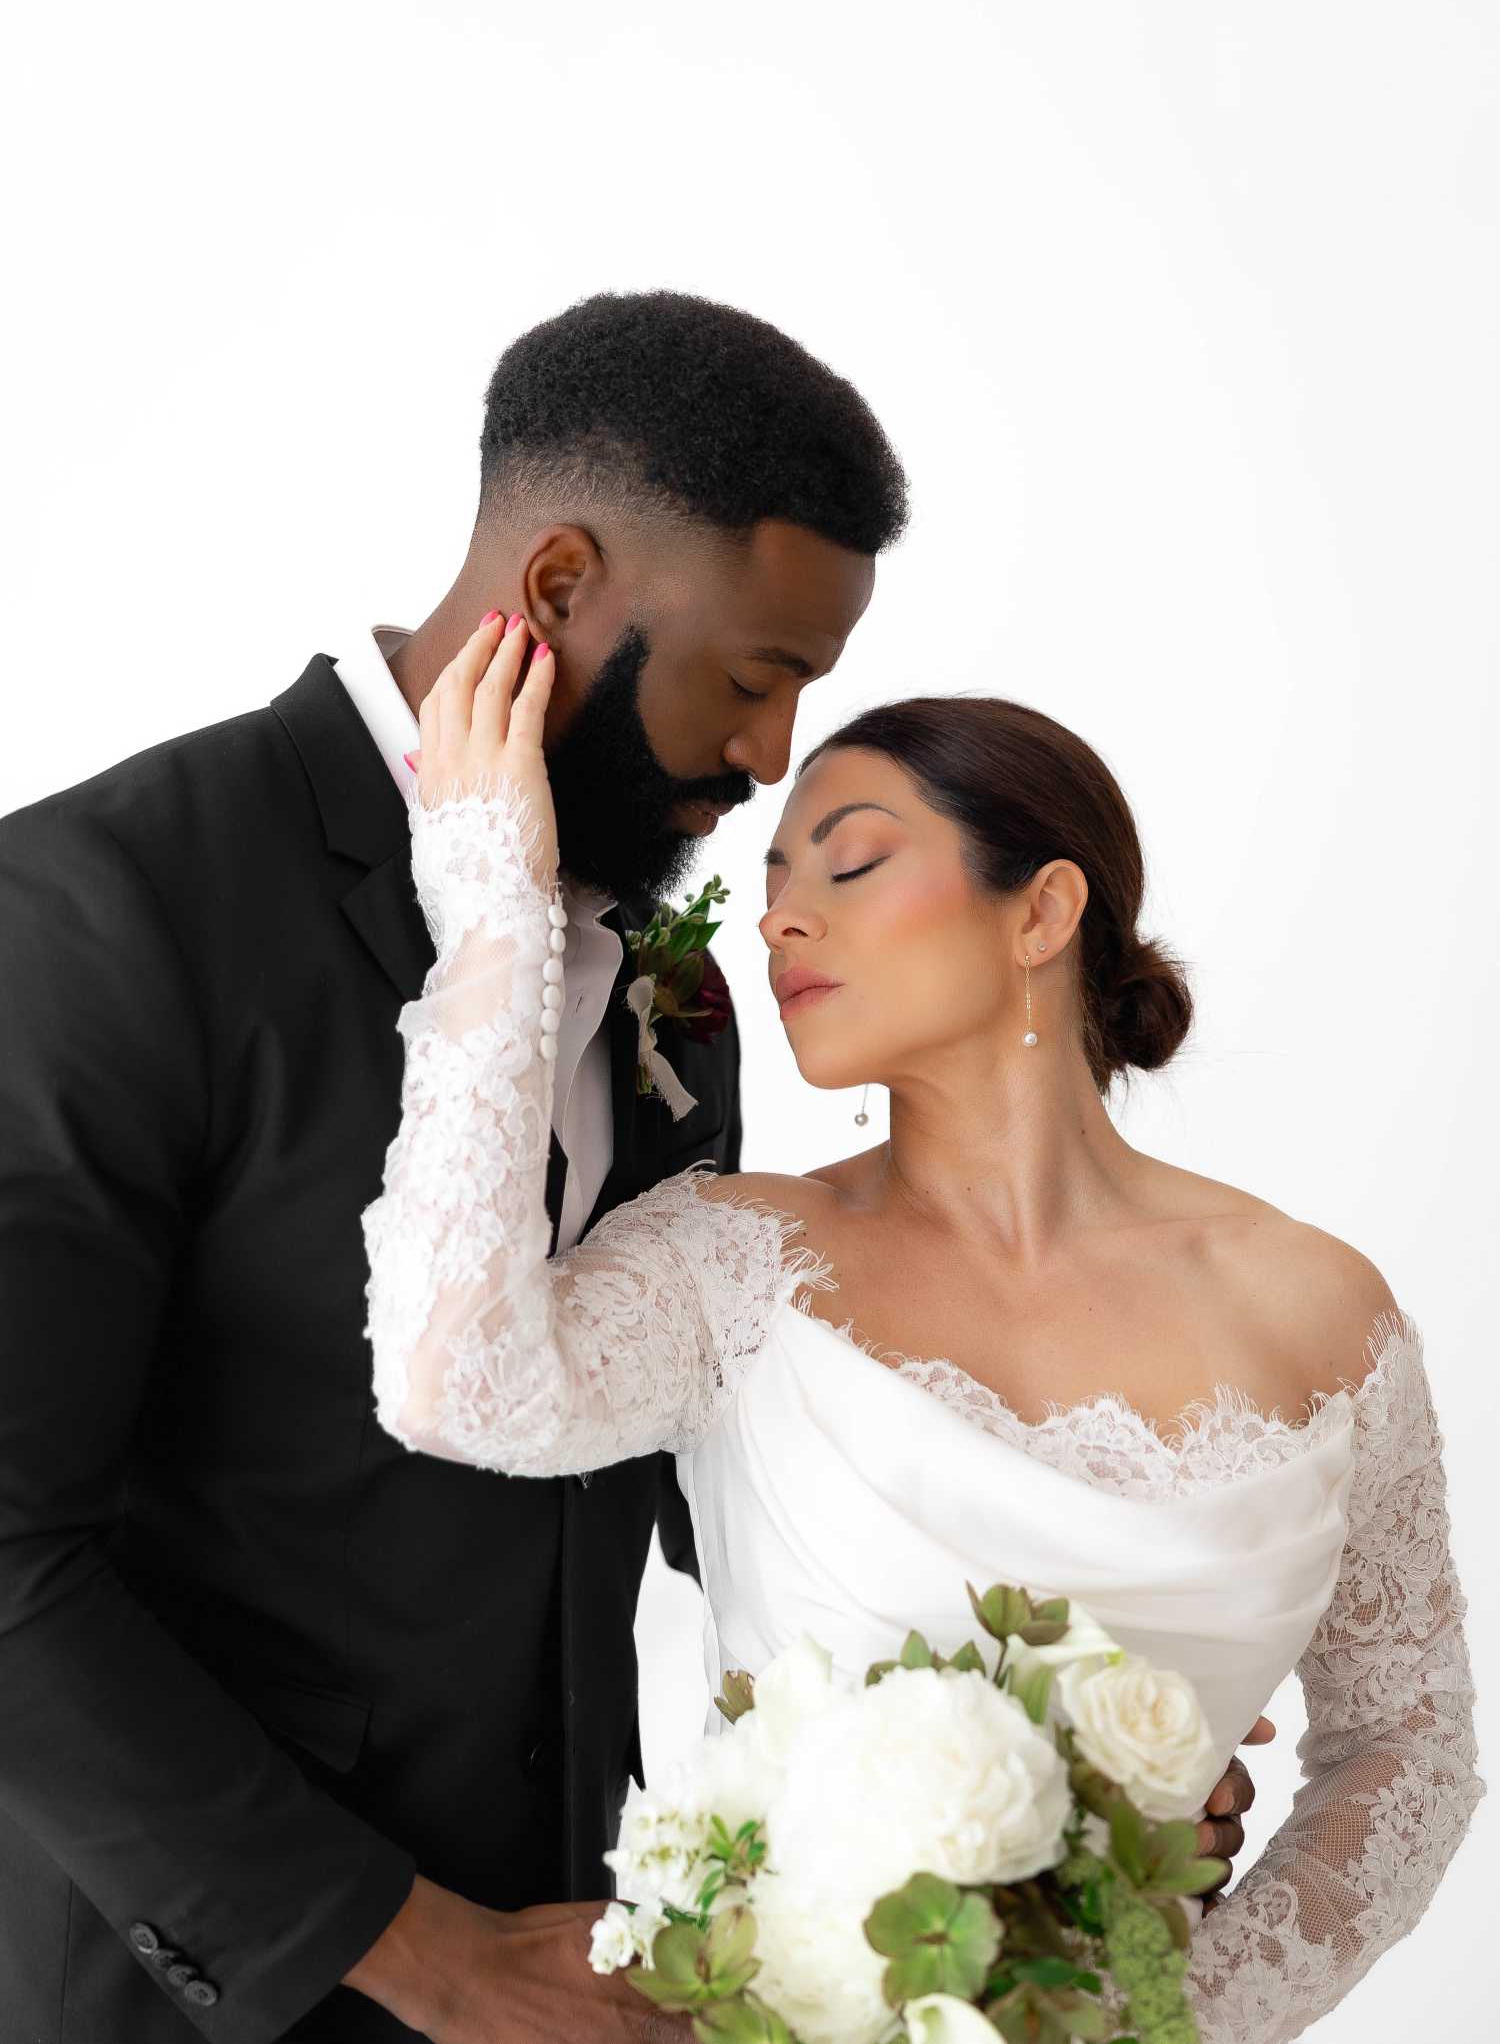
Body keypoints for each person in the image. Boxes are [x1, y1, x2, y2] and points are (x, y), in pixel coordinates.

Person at [366, 616, 1483, 2044]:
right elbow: (453, 1379)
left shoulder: (1324, 1307)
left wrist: (1171, 2015)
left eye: (850, 861)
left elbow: (1413, 1744)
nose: (777, 917)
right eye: (771, 881)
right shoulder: (739, 1260)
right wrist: (492, 907)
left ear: (1043, 910)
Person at [0, 291, 911, 2042]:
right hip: (184, 1996)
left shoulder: (683, 996)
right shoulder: (107, 913)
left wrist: (1028, 1741)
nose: (774, 755)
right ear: (558, 586)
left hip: (582, 1978)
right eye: (754, 676)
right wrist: (425, 1953)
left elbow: (699, 1484)